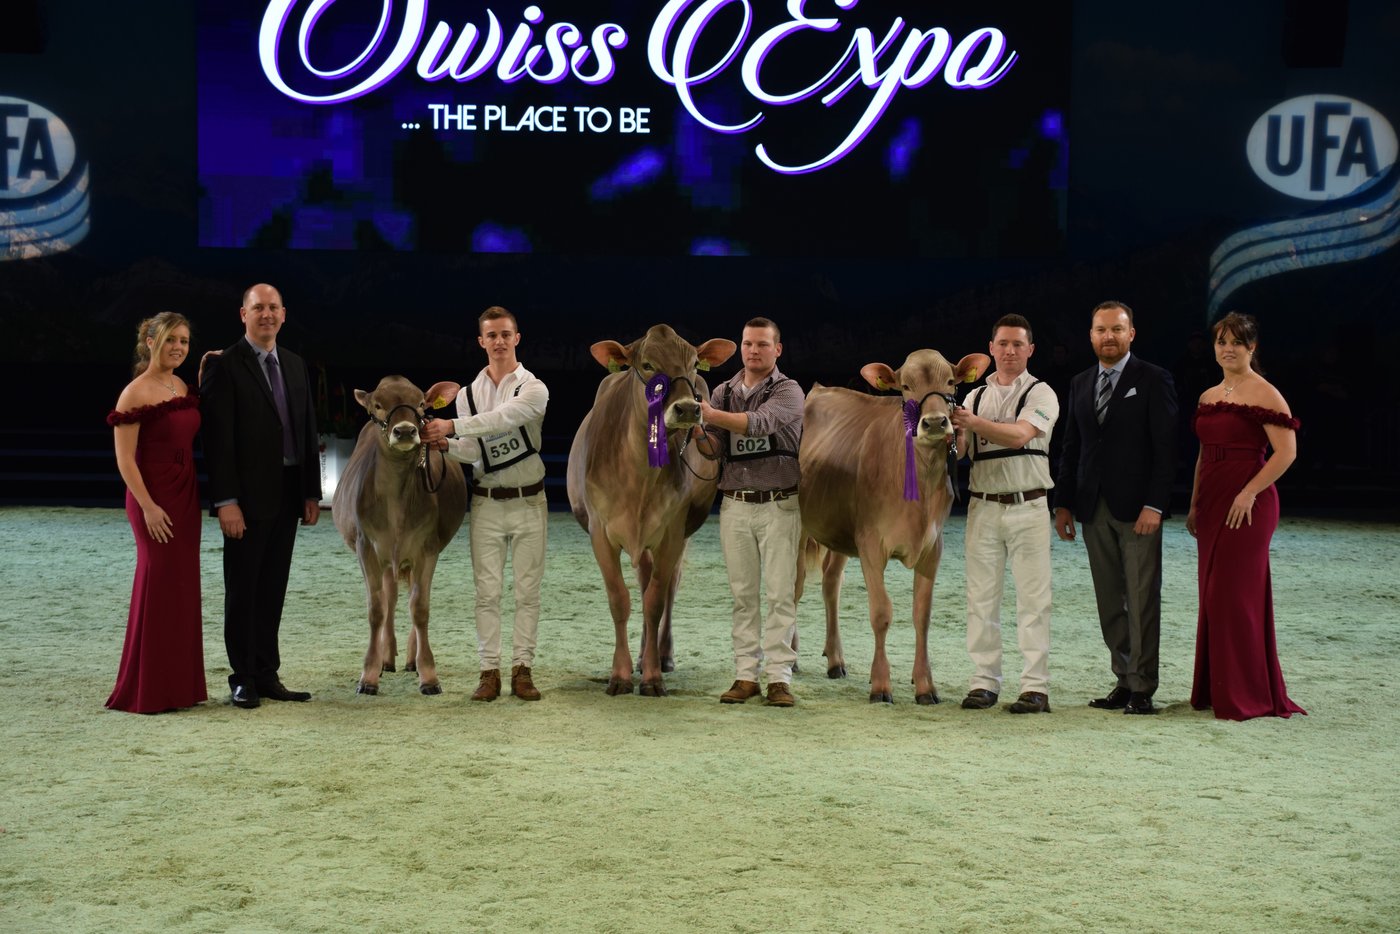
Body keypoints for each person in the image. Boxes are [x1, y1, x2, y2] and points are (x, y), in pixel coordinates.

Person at [200, 283, 322, 709]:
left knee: (273, 588)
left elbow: (306, 429)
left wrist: (311, 492)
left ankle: (268, 674)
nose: (266, 314)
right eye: (258, 308)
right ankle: (243, 677)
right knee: (243, 589)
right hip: (245, 499)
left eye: (273, 307)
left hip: (289, 493)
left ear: (283, 314)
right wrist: (226, 500)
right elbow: (217, 441)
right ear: (243, 314)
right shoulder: (224, 365)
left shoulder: (294, 363)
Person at [1053, 300, 1177, 715]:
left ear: (1131, 334)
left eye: (1117, 329)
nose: (1109, 336)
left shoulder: (1154, 378)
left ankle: (1143, 686)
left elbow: (1166, 450)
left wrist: (1155, 504)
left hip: (1139, 509)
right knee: (1109, 600)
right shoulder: (1080, 382)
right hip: (1092, 507)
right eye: (1101, 330)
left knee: (1141, 600)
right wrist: (1063, 504)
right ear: (1091, 336)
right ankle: (1123, 679)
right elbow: (1071, 447)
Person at [423, 306, 549, 702]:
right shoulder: (466, 395)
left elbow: (506, 419)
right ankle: (489, 671)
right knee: (486, 592)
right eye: (491, 335)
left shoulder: (534, 388)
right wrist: (447, 445)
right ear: (481, 341)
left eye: (505, 334)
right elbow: (475, 451)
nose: (499, 341)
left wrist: (452, 426)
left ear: (517, 338)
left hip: (530, 500)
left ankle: (522, 669)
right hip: (487, 501)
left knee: (527, 591)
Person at [1185, 312, 1305, 721]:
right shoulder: (1207, 396)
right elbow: (1204, 455)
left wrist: (1249, 492)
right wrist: (1194, 503)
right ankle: (1218, 688)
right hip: (1213, 502)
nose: (1228, 349)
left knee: (1233, 596)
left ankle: (1248, 694)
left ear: (1252, 347)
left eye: (1237, 342)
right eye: (1222, 341)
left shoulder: (1266, 393)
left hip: (1249, 505)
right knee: (1212, 596)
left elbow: (1286, 453)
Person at [950, 314, 1059, 714]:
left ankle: (1035, 687)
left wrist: (972, 422)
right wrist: (944, 432)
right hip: (982, 505)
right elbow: (959, 451)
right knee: (980, 598)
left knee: (1033, 599)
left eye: (1017, 344)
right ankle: (984, 682)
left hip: (1028, 506)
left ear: (1030, 350)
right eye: (1003, 344)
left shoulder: (1041, 393)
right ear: (991, 349)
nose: (1010, 351)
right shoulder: (973, 397)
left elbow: (1019, 436)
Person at [699, 317, 805, 707]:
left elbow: (759, 425)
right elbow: (713, 448)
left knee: (779, 595)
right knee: (743, 596)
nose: (753, 351)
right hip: (735, 504)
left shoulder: (789, 391)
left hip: (780, 504)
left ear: (777, 349)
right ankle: (746, 675)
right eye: (747, 344)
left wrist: (708, 415)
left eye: (762, 344)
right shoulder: (723, 391)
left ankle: (779, 679)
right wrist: (693, 429)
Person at [106, 313, 207, 714]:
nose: (178, 347)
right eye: (170, 340)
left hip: (186, 494)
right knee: (158, 584)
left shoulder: (180, 385)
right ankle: (148, 690)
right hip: (152, 497)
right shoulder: (134, 392)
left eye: (184, 340)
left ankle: (180, 688)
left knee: (182, 588)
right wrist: (148, 507)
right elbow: (124, 459)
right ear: (150, 342)